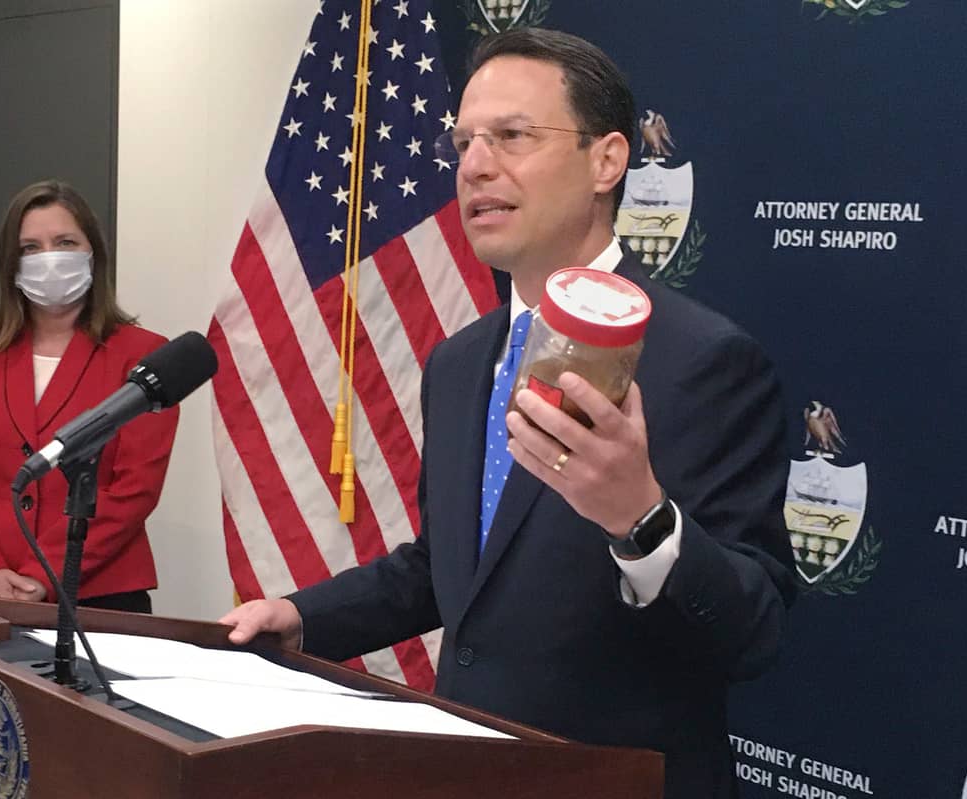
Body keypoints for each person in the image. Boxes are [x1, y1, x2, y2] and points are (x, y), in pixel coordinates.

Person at [220, 28, 796, 798]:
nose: (475, 166)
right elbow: (449, 567)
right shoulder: (459, 363)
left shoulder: (704, 360)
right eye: (464, 143)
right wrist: (301, 616)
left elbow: (754, 633)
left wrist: (640, 519)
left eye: (513, 136)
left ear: (607, 160)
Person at [0, 179, 179, 613]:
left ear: (93, 253)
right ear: (12, 264)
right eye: (30, 248)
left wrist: (43, 575)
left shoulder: (143, 354)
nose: (49, 258)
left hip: (101, 594)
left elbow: (134, 489)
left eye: (65, 242)